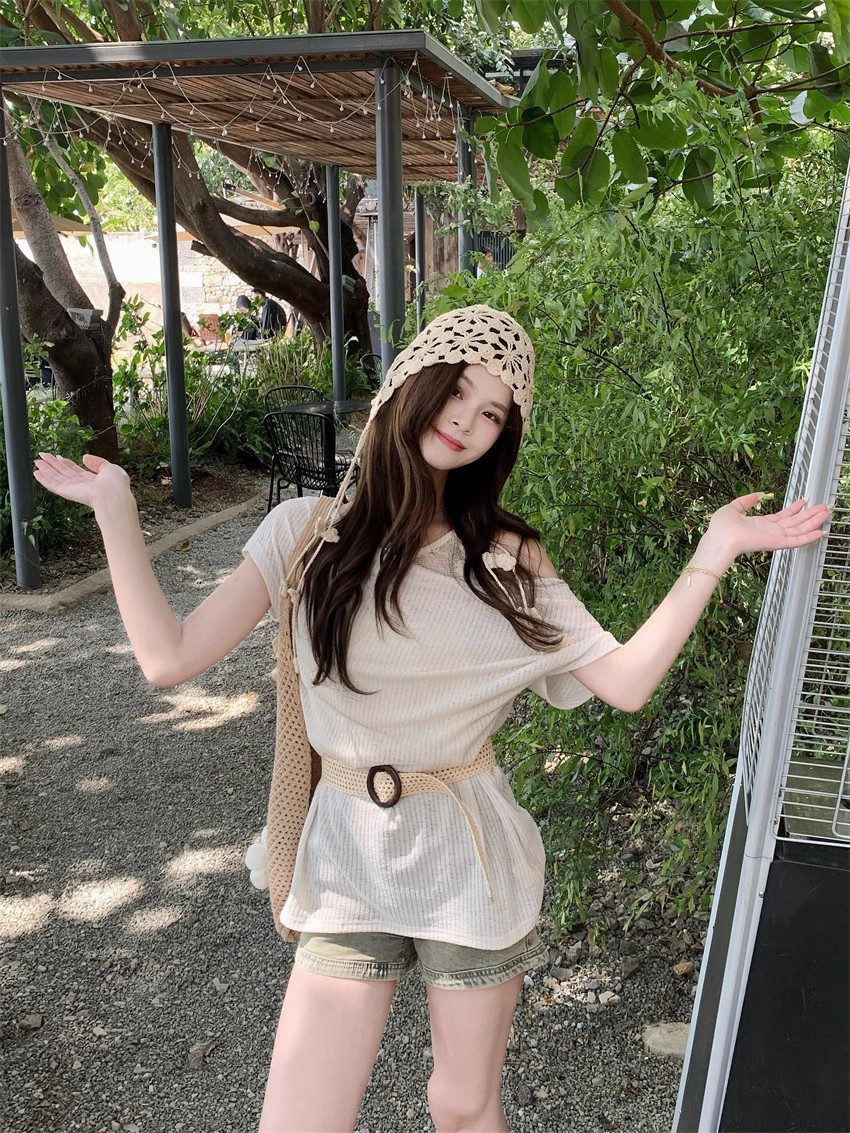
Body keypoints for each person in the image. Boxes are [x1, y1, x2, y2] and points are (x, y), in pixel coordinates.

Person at [32, 304, 829, 1133]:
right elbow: (168, 656)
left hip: (468, 857)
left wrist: (713, 549)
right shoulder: (304, 535)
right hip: (346, 858)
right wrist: (115, 509)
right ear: (411, 383)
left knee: (462, 1104)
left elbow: (626, 680)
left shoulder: (505, 560)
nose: (467, 421)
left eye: (493, 413)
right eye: (457, 391)